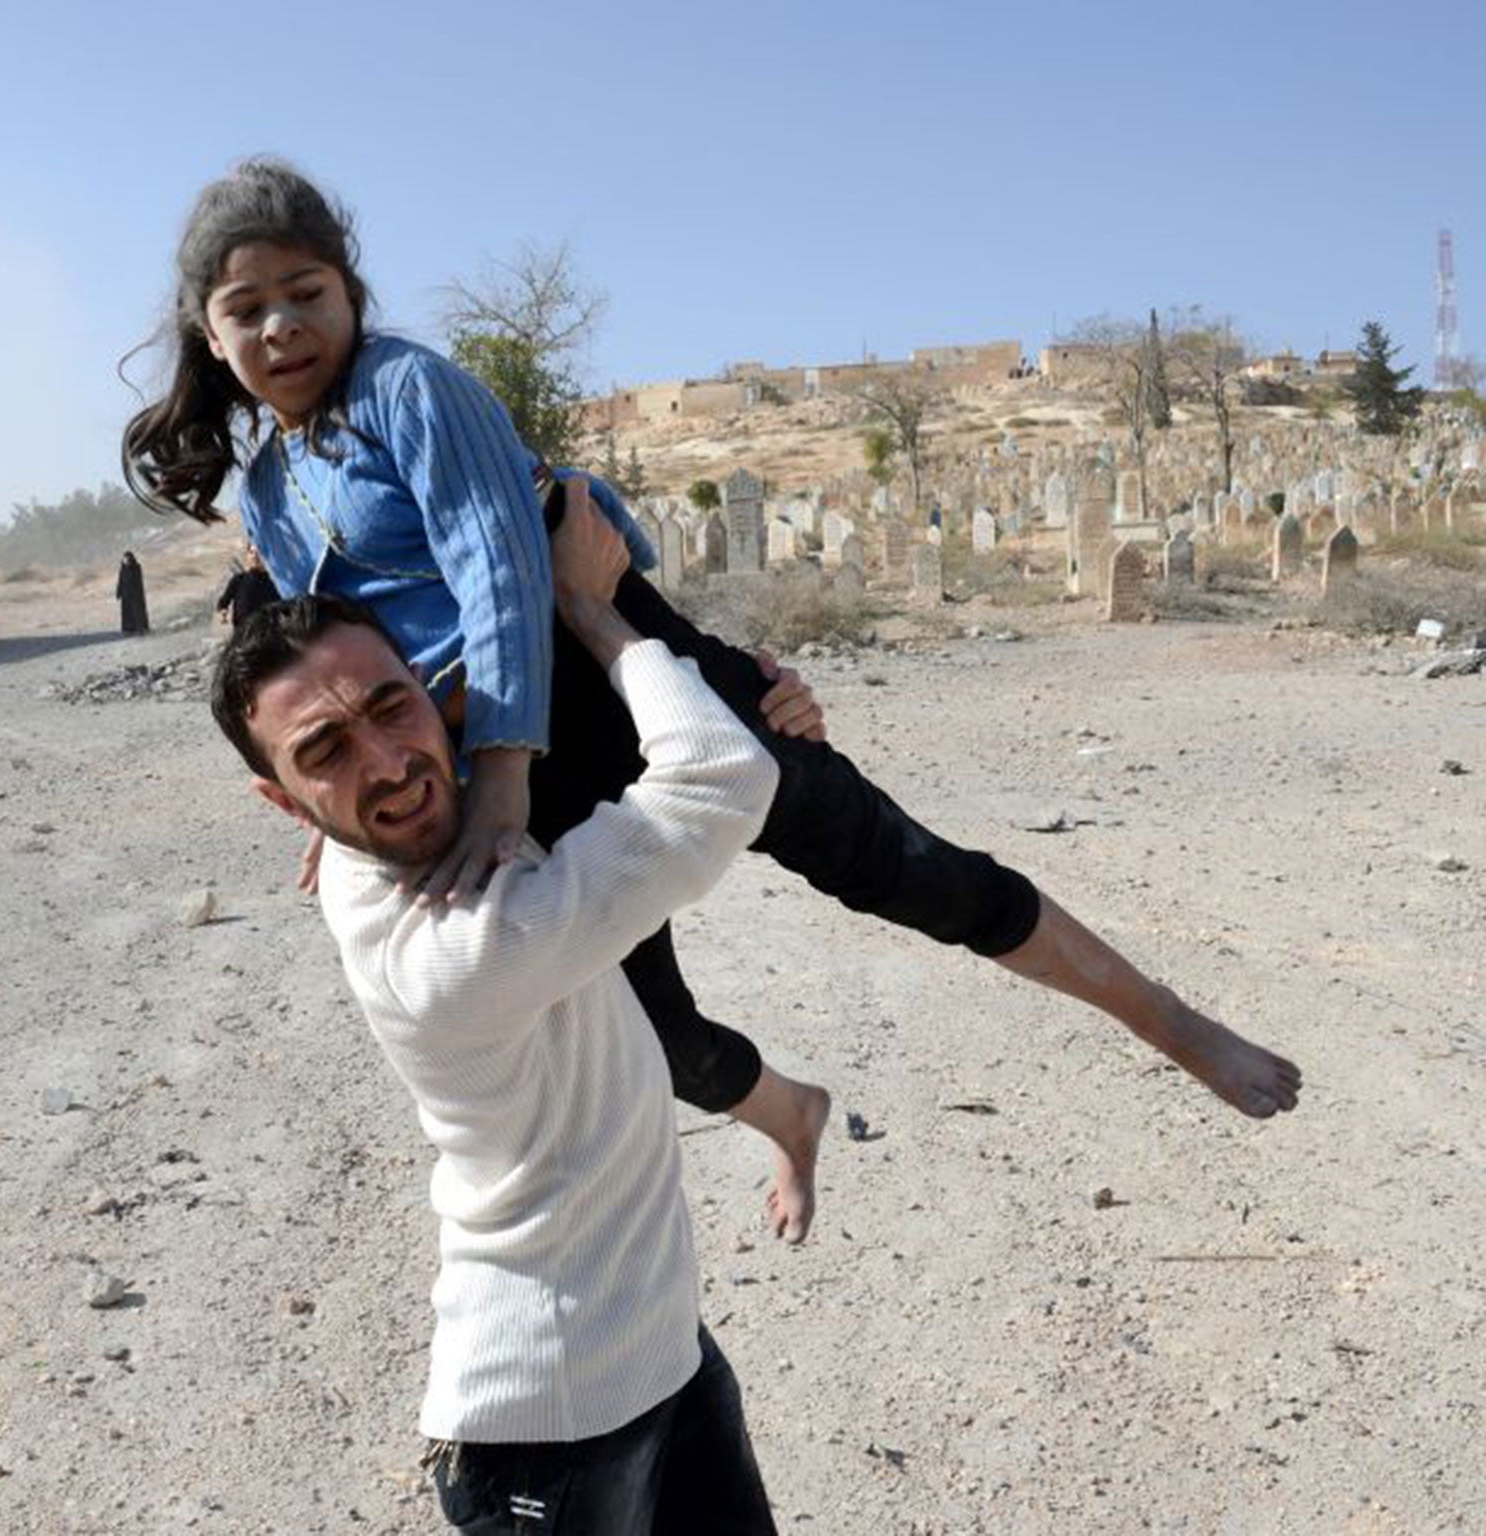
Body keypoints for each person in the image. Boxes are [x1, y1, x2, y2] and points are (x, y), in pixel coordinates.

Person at [125, 159, 1300, 1238]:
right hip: (514, 757)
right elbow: (321, 660)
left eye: (306, 291)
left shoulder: (406, 389)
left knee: (902, 868)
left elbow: (503, 567)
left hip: (602, 675)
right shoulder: (271, 485)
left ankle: (1169, 1023)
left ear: (349, 292)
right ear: (208, 331)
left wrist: (500, 781)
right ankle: (788, 1112)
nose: (282, 325)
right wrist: (322, 814)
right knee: (646, 1041)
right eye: (248, 308)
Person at [212, 495, 780, 1532]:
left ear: (441, 699)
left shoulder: (414, 816)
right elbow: (720, 775)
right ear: (285, 808)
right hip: (550, 1436)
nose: (385, 767)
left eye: (389, 710)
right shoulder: (456, 953)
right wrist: (592, 610)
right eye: (324, 754)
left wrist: (765, 687)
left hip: (665, 1358)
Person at [214, 542, 278, 627]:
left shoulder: (273, 583)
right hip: (242, 635)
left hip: (265, 635)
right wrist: (223, 612)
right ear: (247, 555)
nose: (255, 556)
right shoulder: (238, 580)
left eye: (259, 553)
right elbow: (223, 602)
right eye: (251, 552)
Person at [115, 550, 149, 636]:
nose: (126, 560)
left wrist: (137, 593)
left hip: (135, 595)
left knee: (137, 612)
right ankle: (128, 629)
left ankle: (140, 628)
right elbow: (120, 581)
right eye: (125, 558)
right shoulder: (123, 569)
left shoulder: (136, 567)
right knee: (127, 613)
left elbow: (138, 581)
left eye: (127, 558)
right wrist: (118, 592)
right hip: (126, 595)